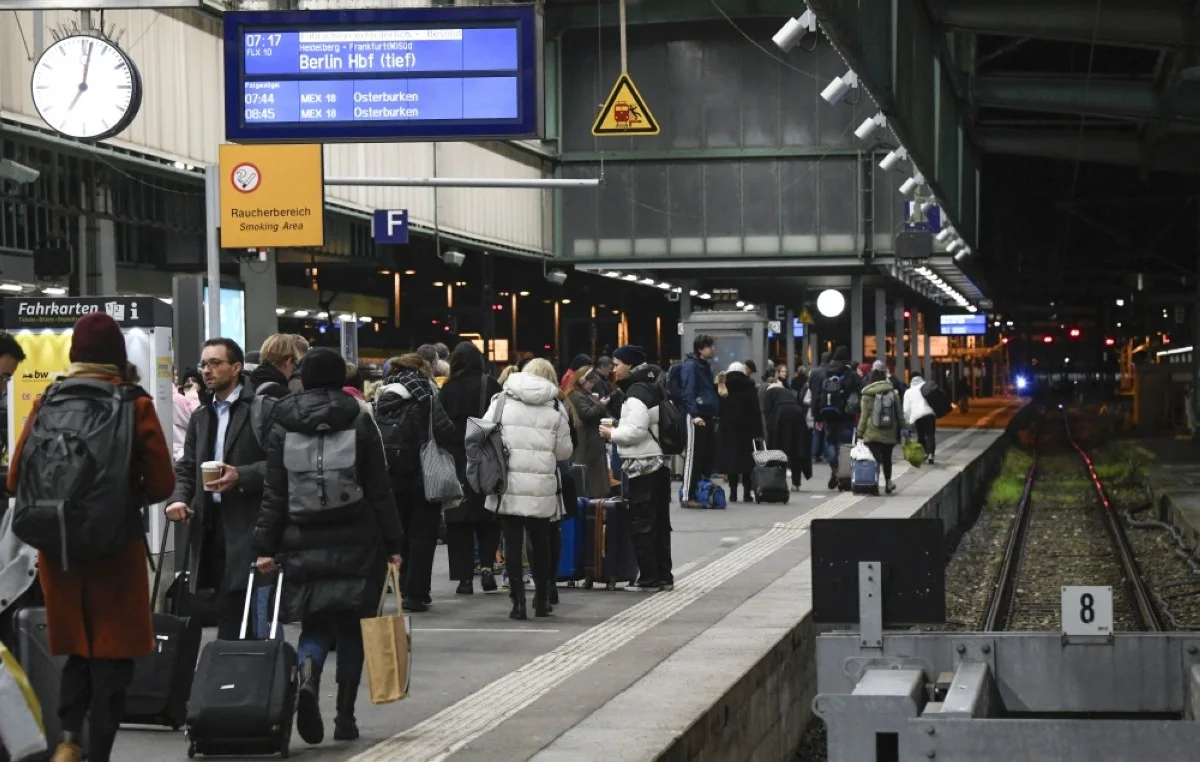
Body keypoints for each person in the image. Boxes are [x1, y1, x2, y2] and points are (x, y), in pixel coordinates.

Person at [7, 313, 174, 762]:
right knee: (113, 659)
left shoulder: (47, 401)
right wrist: (120, 493)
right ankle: (99, 751)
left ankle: (68, 740)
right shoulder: (132, 404)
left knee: (77, 654)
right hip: (114, 551)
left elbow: (15, 478)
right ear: (116, 357)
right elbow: (162, 484)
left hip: (59, 552)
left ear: (74, 355)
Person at [252, 347, 404, 746]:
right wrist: (393, 543)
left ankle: (307, 673)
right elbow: (379, 489)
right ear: (341, 378)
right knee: (352, 627)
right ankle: (345, 718)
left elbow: (274, 493)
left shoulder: (282, 421)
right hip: (357, 538)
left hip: (300, 539)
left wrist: (264, 545)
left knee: (315, 622)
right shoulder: (359, 419)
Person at [165, 337, 269, 640]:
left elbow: (278, 465)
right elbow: (187, 466)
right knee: (223, 602)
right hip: (210, 523)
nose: (207, 371)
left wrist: (241, 475)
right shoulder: (202, 415)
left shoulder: (259, 409)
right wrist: (179, 498)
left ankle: (246, 673)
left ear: (236, 368)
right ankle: (231, 673)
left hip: (249, 522)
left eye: (215, 363)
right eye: (204, 364)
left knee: (244, 603)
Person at [484, 358, 573, 619]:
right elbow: (564, 451)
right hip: (541, 484)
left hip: (507, 482)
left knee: (512, 543)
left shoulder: (500, 400)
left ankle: (517, 602)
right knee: (541, 541)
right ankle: (542, 599)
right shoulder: (556, 405)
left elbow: (484, 436)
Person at [375, 353, 456, 612]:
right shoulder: (427, 394)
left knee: (400, 536)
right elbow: (446, 432)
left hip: (391, 475)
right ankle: (417, 593)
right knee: (423, 536)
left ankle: (401, 587)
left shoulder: (382, 395)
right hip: (424, 474)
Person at [601, 345, 672, 592]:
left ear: (630, 365)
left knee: (643, 523)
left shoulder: (636, 393)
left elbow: (636, 431)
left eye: (617, 363)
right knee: (660, 523)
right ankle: (664, 575)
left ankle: (649, 577)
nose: (614, 368)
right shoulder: (653, 386)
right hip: (658, 463)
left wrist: (612, 433)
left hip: (643, 465)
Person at [438, 341, 503, 594]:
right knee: (488, 515)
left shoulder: (448, 389)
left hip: (456, 460)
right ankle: (487, 567)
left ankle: (464, 578)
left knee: (458, 520)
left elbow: (440, 426)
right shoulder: (491, 385)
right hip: (485, 457)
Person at [808, 347, 861, 489]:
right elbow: (862, 389)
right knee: (844, 445)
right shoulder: (850, 373)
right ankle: (843, 475)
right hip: (845, 415)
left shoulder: (824, 372)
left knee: (830, 442)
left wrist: (817, 415)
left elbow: (817, 394)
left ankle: (834, 470)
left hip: (828, 414)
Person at [679, 334, 720, 504]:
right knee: (693, 456)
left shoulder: (703, 365)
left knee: (703, 456)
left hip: (706, 414)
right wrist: (694, 415)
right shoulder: (691, 366)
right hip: (696, 415)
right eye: (710, 346)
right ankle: (687, 495)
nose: (713, 349)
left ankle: (698, 491)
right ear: (701, 348)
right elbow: (688, 392)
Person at [714, 362, 764, 503]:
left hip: (728, 429)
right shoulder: (749, 386)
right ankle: (747, 493)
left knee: (731, 461)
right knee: (747, 462)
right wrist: (759, 431)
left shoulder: (723, 384)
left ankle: (733, 493)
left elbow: (718, 408)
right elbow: (755, 410)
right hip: (747, 430)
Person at [564, 367, 612, 499]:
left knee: (595, 480)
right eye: (590, 381)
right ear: (582, 380)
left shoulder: (584, 394)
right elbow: (587, 414)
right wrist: (601, 404)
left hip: (592, 443)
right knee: (590, 481)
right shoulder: (575, 395)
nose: (592, 384)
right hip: (586, 444)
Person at [857, 366, 902, 494]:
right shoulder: (893, 394)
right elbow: (899, 415)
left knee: (875, 460)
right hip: (889, 432)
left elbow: (864, 417)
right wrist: (905, 429)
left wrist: (860, 433)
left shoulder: (867, 395)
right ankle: (888, 483)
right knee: (887, 459)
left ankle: (874, 486)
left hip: (872, 433)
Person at [762, 372, 809, 490]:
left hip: (781, 415)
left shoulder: (769, 391)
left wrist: (769, 431)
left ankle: (779, 480)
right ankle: (796, 482)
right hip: (797, 414)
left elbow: (767, 411)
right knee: (797, 447)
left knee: (779, 448)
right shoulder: (787, 391)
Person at [904, 374, 938, 464]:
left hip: (917, 416)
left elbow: (906, 409)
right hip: (930, 414)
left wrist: (908, 421)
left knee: (921, 435)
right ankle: (931, 454)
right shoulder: (927, 388)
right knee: (930, 435)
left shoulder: (908, 392)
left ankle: (923, 454)